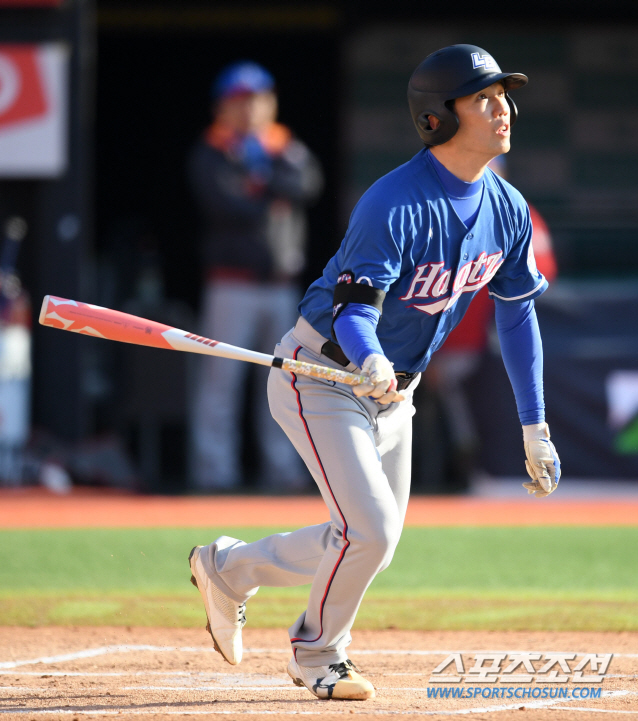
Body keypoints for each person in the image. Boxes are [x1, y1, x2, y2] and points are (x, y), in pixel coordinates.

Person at [188, 44, 562, 700]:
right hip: (321, 374)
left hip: (394, 392)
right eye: (484, 98)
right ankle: (316, 652)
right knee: (372, 530)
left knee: (368, 540)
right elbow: (353, 312)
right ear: (437, 119)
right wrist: (371, 359)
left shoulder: (506, 208)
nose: (504, 108)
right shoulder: (394, 202)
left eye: (504, 94)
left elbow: (517, 318)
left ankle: (228, 566)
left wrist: (535, 425)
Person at [189, 61, 323, 493]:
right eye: (239, 101)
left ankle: (282, 473)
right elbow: (228, 205)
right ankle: (214, 473)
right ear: (222, 107)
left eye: (258, 99)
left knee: (284, 384)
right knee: (220, 384)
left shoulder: (285, 146)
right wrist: (270, 188)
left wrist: (261, 177)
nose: (250, 109)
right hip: (232, 283)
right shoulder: (212, 150)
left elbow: (307, 186)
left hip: (281, 285)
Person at [415, 154, 558, 492]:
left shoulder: (518, 213)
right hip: (453, 339)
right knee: (435, 403)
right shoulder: (441, 212)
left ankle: (467, 469)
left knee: (468, 405)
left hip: (498, 337)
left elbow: (542, 280)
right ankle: (445, 474)